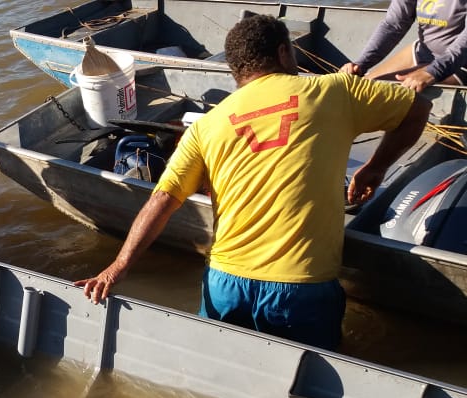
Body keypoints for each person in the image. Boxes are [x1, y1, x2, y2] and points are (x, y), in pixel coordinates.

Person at [75, 14, 431, 351]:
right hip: (300, 286)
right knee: (313, 387)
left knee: (223, 368)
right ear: (282, 52)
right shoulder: (333, 90)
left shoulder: (205, 126)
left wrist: (116, 269)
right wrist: (375, 167)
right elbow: (417, 108)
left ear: (236, 69)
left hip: (225, 283)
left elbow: (161, 201)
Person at [339, 0, 467, 92]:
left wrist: (432, 72)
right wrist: (361, 64)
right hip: (422, 52)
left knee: (377, 92)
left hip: (459, 64)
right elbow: (393, 25)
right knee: (362, 86)